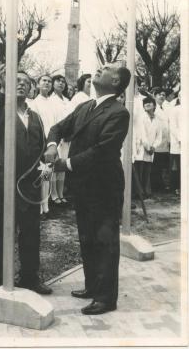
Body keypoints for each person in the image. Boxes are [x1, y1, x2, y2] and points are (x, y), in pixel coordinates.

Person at [45, 65, 131, 315]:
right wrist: (52, 144)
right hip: (83, 185)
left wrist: (65, 164)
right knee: (87, 237)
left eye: (106, 69)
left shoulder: (118, 112)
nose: (99, 69)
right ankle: (92, 286)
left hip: (104, 186)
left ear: (115, 81)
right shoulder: (85, 107)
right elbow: (59, 128)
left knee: (105, 240)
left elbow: (102, 151)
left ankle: (106, 298)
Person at [0, 66, 52, 294]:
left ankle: (30, 278)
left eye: (25, 81)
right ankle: (1, 279)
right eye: (16, 80)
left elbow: (41, 147)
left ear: (32, 88)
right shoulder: (1, 111)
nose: (21, 83)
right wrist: (5, 89)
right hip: (3, 179)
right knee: (3, 231)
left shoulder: (36, 117)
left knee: (31, 231)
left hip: (29, 182)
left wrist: (47, 164)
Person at [30, 74, 55, 216]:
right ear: (38, 84)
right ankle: (38, 206)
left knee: (47, 175)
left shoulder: (52, 103)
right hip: (40, 144)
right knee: (39, 176)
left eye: (49, 81)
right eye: (44, 81)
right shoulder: (34, 103)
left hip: (51, 144)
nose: (47, 83)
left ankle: (46, 206)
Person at [49, 75, 73, 205]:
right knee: (51, 167)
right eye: (58, 81)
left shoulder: (67, 101)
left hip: (66, 138)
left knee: (62, 166)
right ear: (53, 83)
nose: (61, 83)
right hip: (55, 137)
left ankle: (60, 193)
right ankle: (52, 195)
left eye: (64, 82)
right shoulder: (50, 100)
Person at [135, 97, 162, 198]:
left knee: (147, 171)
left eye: (149, 102)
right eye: (145, 103)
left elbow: (159, 137)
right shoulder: (141, 118)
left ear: (154, 105)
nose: (147, 104)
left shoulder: (158, 120)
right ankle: (139, 193)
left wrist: (153, 147)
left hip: (151, 150)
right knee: (140, 170)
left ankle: (146, 192)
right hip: (142, 148)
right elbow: (142, 134)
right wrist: (147, 147)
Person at [151, 87, 170, 192]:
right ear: (155, 95)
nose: (162, 96)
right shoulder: (154, 108)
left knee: (162, 164)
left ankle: (160, 184)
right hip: (156, 139)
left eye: (164, 95)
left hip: (165, 140)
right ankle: (155, 186)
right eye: (160, 94)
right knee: (155, 164)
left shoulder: (166, 108)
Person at [169, 91, 181, 194]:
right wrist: (180, 138)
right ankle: (177, 187)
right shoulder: (175, 110)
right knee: (177, 166)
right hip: (178, 143)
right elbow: (173, 127)